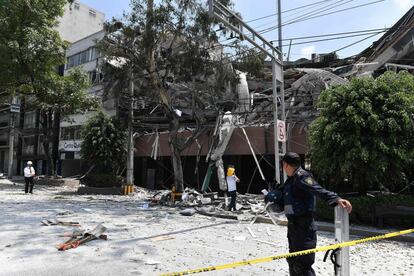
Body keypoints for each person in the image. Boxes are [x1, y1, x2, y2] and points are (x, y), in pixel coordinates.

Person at [265, 152, 352, 276]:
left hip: (304, 229)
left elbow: (317, 189)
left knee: (302, 266)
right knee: (293, 262)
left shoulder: (302, 176)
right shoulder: (291, 180)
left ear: (285, 165)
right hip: (293, 229)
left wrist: (336, 199)